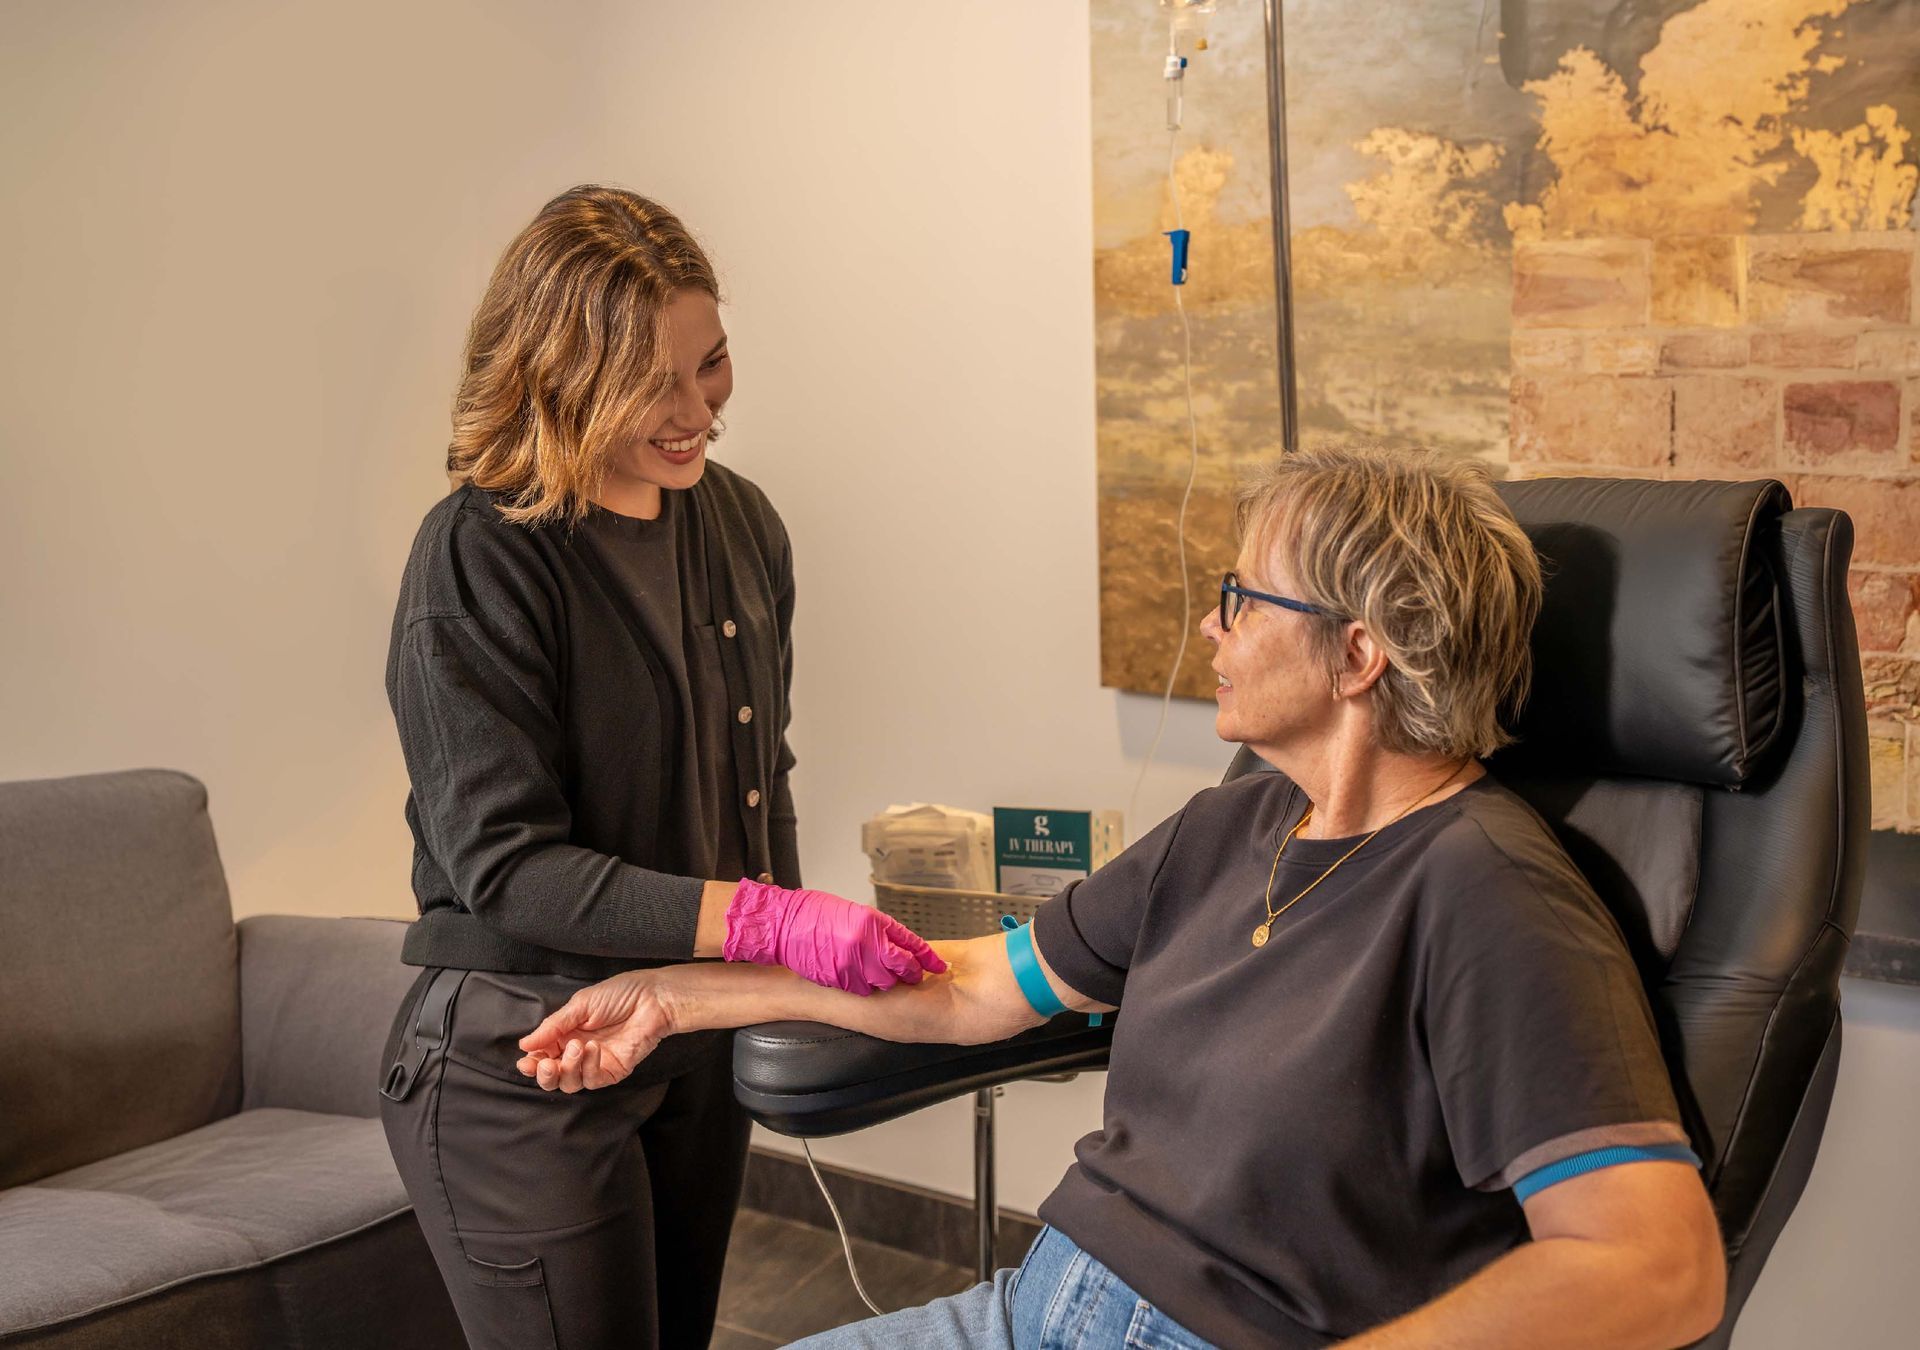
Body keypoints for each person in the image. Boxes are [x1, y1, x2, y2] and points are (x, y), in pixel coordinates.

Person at [516, 446, 1728, 1349]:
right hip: (1036, 1308)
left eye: (1246, 600)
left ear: (1359, 656)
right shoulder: (1235, 821)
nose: (1212, 625)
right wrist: (679, 996)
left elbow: (1657, 1266)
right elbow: (976, 987)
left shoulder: (1490, 891)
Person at [377, 184, 943, 1350]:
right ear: (559, 378)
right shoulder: (478, 558)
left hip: (687, 1034)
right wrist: (769, 925)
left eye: (713, 365)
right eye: (653, 383)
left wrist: (784, 988)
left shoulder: (741, 525)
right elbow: (511, 869)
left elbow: (756, 782)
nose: (698, 413)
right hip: (524, 1057)